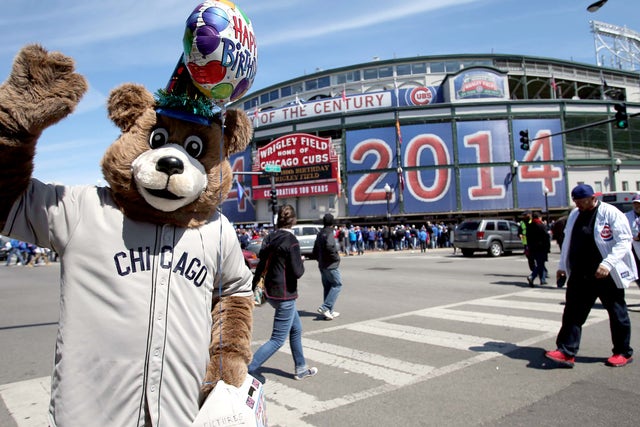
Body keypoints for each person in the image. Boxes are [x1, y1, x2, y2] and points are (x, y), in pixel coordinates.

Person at [545, 184, 637, 368]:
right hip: (580, 273)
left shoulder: (611, 213)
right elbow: (567, 241)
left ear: (593, 198)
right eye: (576, 202)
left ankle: (622, 352)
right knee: (572, 313)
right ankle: (566, 350)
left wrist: (607, 263)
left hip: (606, 273)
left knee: (617, 312)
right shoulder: (574, 215)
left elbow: (624, 241)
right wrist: (562, 266)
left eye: (582, 201)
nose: (578, 205)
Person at [248, 205, 317, 380]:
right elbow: (297, 272)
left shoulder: (270, 237)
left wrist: (254, 285)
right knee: (278, 339)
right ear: (293, 220)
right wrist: (300, 260)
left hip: (270, 291)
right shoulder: (291, 240)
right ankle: (248, 369)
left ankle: (301, 367)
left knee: (296, 329)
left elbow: (262, 263)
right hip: (285, 293)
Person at [312, 213, 343, 320]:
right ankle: (325, 307)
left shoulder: (320, 233)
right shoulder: (329, 232)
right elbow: (330, 246)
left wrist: (319, 259)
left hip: (322, 264)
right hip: (331, 264)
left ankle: (329, 311)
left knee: (328, 287)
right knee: (337, 284)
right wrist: (336, 258)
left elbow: (315, 249)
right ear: (332, 222)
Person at [526, 211, 551, 286]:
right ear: (539, 217)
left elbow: (528, 237)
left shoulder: (529, 226)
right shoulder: (541, 225)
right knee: (540, 264)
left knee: (540, 263)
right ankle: (532, 276)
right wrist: (548, 247)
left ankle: (542, 279)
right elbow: (546, 237)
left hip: (533, 248)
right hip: (541, 247)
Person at [624, 194, 640, 288]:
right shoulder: (626, 216)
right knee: (637, 273)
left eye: (639, 204)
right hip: (634, 249)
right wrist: (634, 238)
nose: (637, 206)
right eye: (635, 204)